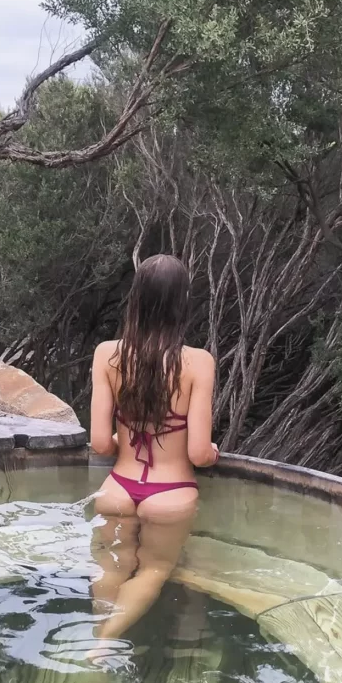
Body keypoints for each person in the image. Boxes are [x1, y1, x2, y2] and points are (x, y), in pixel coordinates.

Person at [87, 254, 219, 653]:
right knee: (154, 569)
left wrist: (119, 441)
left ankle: (94, 634)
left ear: (136, 299)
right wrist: (213, 452)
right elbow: (197, 452)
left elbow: (99, 443)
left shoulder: (108, 355)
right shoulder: (198, 362)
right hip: (171, 493)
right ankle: (104, 643)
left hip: (117, 489)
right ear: (182, 303)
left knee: (111, 564)